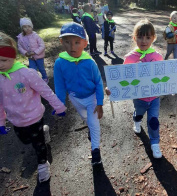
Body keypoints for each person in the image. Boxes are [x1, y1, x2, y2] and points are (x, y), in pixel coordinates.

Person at [105, 19, 177, 158]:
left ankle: (154, 143)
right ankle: (136, 119)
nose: (144, 40)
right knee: (139, 114)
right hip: (139, 98)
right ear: (134, 38)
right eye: (140, 37)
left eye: (148, 37)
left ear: (153, 38)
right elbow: (121, 79)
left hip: (154, 98)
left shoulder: (157, 56)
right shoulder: (129, 58)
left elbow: (165, 75)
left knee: (153, 121)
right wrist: (112, 87)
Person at [0, 32, 66, 183]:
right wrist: (1, 121)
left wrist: (59, 106)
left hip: (34, 117)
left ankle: (43, 165)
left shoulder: (26, 74)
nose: (0, 64)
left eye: (3, 60)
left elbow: (45, 91)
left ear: (13, 57)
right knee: (25, 140)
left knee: (39, 144)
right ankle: (44, 131)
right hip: (16, 121)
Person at [54, 22, 104, 165]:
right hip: (75, 98)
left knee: (93, 123)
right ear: (61, 42)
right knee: (86, 119)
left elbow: (99, 83)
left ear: (85, 43)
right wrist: (60, 104)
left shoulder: (90, 62)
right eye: (68, 42)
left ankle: (95, 151)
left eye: (77, 42)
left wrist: (100, 102)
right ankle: (89, 127)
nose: (72, 47)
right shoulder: (60, 63)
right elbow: (60, 85)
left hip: (92, 98)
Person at [17, 18, 49, 83]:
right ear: (22, 28)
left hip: (39, 56)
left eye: (29, 26)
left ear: (32, 27)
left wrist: (35, 52)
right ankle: (35, 80)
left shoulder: (35, 36)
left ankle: (45, 77)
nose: (27, 28)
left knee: (41, 68)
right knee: (32, 69)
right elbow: (19, 47)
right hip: (30, 57)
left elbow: (42, 45)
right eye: (25, 27)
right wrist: (25, 53)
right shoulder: (20, 37)